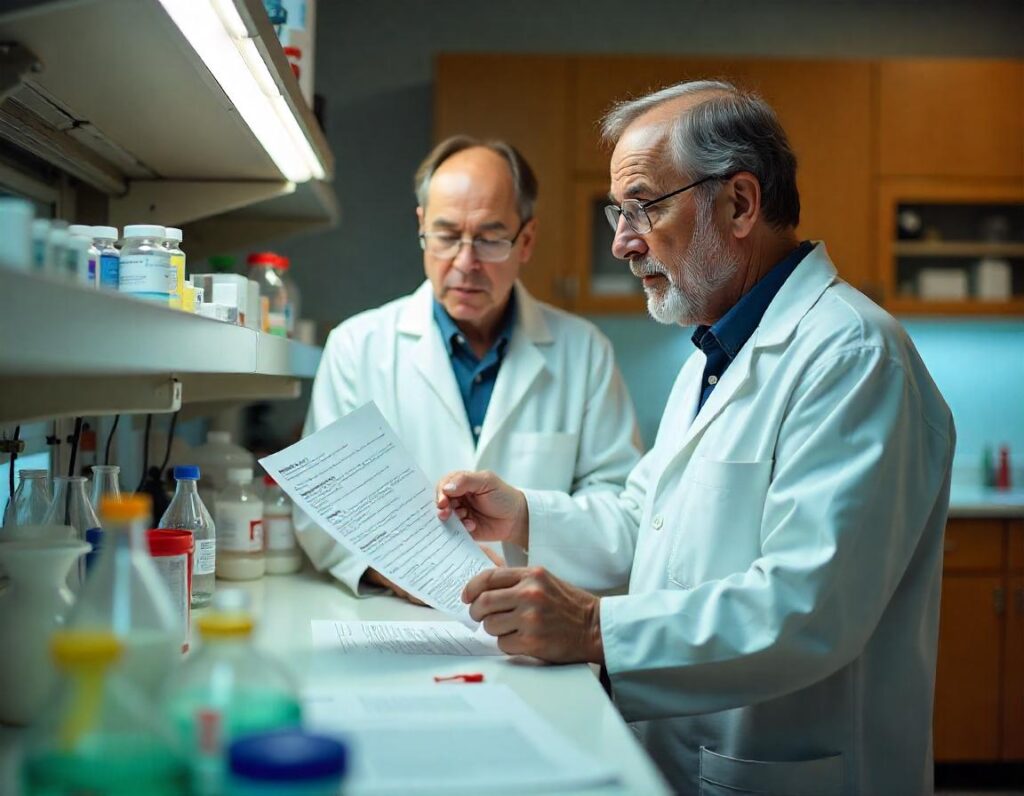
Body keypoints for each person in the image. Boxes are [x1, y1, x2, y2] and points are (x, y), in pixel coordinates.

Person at [437, 81, 955, 795]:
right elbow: (645, 526)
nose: (621, 241)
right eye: (620, 214)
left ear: (740, 203)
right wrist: (524, 513)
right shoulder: (713, 354)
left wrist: (595, 629)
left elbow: (808, 606)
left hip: (797, 770)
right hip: (684, 757)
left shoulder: (854, 355)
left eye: (643, 206)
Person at [297, 135, 641, 600]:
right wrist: (412, 578)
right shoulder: (357, 346)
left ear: (527, 240)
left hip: (539, 621)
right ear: (421, 228)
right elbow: (325, 507)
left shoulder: (584, 352)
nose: (465, 262)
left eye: (490, 238)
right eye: (445, 236)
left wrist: (528, 521)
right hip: (401, 618)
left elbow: (622, 514)